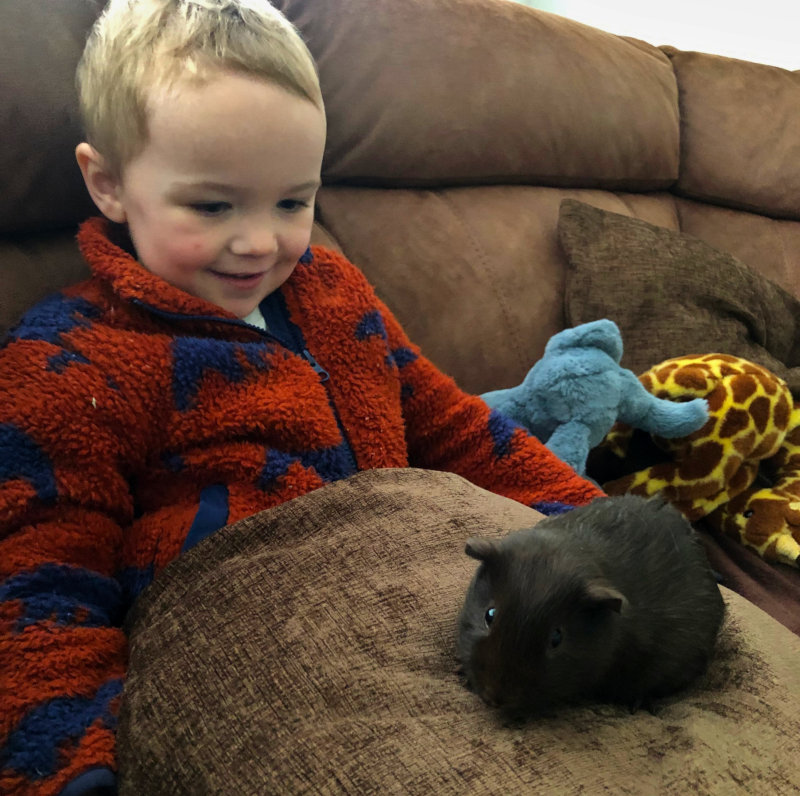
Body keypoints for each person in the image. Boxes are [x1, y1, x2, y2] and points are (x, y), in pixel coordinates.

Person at [0, 1, 603, 793]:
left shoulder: (334, 291)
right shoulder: (68, 359)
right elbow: (37, 587)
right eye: (213, 206)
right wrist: (76, 769)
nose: (261, 243)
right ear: (108, 183)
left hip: (416, 592)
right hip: (247, 646)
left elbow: (454, 428)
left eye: (293, 202)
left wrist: (594, 524)